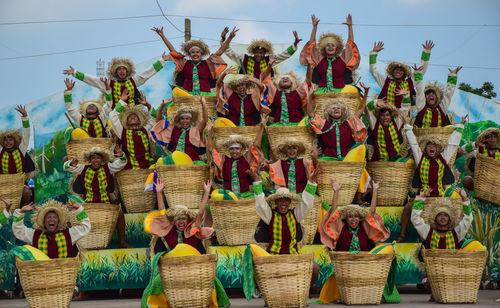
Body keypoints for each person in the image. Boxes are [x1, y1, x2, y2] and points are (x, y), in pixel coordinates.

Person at [249, 164, 320, 285]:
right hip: (273, 257)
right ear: (276, 202)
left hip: (293, 257)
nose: (283, 203)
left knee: (315, 267)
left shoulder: (295, 214)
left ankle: (304, 291)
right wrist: (256, 181)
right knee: (256, 266)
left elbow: (307, 204)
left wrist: (311, 182)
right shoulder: (270, 215)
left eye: (286, 200)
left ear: (289, 202)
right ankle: (266, 292)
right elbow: (261, 203)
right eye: (280, 200)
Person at [397, 117, 465, 242]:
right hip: (423, 195)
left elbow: (452, 145)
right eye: (429, 145)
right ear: (426, 149)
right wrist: (407, 126)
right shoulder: (420, 158)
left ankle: (457, 238)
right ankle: (402, 235)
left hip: (439, 196)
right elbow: (413, 144)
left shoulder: (443, 158)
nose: (431, 147)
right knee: (407, 208)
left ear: (437, 148)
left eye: (434, 145)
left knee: (453, 209)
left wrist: (460, 127)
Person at [64, 146, 130, 248]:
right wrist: (71, 164)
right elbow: (66, 167)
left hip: (105, 203)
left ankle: (122, 241)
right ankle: (73, 244)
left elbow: (122, 163)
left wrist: (122, 156)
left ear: (102, 160)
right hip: (88, 203)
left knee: (120, 213)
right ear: (90, 160)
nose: (95, 160)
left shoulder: (109, 167)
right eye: (93, 158)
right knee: (70, 212)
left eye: (98, 158)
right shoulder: (83, 168)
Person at [411, 188, 472, 292]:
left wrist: (465, 199)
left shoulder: (456, 233)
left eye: (445, 215)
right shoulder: (428, 232)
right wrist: (420, 199)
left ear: (449, 218)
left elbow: (468, 219)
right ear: (435, 218)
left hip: (452, 273)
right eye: (439, 215)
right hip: (434, 275)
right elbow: (415, 219)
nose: (443, 217)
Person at [63, 54, 168, 107]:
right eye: (119, 69)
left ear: (127, 72)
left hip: (134, 114)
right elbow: (92, 80)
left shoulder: (134, 81)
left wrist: (162, 60)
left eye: (124, 69)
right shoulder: (109, 83)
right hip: (116, 115)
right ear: (115, 72)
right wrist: (75, 73)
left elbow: (147, 73)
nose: (122, 71)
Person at [153, 26, 229, 95]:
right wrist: (162, 36)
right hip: (188, 95)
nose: (195, 54)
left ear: (201, 54)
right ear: (189, 54)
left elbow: (221, 51)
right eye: (192, 52)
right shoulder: (184, 63)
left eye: (197, 52)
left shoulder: (208, 63)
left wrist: (230, 38)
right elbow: (172, 50)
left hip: (205, 94)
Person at [145, 178, 213, 254]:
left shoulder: (192, 230)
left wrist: (207, 192)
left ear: (188, 220)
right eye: (178, 219)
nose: (181, 222)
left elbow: (200, 213)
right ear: (173, 221)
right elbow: (162, 212)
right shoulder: (169, 231)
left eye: (183, 218)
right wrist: (159, 192)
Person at [319, 179, 389, 252]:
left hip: (362, 260)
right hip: (344, 261)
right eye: (350, 216)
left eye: (356, 216)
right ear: (346, 218)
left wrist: (375, 190)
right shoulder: (341, 227)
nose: (354, 219)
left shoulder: (364, 227)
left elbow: (372, 212)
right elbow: (334, 212)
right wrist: (336, 191)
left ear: (360, 218)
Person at [206, 115, 266, 198]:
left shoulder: (246, 158)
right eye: (232, 149)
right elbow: (210, 150)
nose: (234, 151)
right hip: (228, 195)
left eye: (237, 149)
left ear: (241, 150)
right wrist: (210, 131)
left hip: (245, 194)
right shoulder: (223, 159)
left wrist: (261, 127)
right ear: (228, 150)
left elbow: (256, 145)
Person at [306, 82, 368, 160]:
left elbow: (360, 109)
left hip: (347, 156)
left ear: (342, 111)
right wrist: (311, 95)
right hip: (328, 157)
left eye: (338, 108)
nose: (336, 109)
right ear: (328, 111)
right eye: (333, 108)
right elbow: (310, 113)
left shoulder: (349, 123)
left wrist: (366, 93)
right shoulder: (324, 123)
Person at [300, 14, 360, 93]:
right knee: (311, 96)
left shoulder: (342, 59)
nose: (330, 47)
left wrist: (350, 27)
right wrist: (314, 27)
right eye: (327, 45)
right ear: (324, 48)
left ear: (336, 48)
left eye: (333, 45)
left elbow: (350, 45)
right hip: (322, 90)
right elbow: (311, 46)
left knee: (354, 91)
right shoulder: (320, 60)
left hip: (341, 90)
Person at [12, 199, 90, 258]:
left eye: (54, 217)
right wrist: (21, 212)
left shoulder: (68, 235)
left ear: (58, 222)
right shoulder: (35, 235)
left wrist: (79, 210)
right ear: (44, 222)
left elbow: (85, 227)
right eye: (48, 218)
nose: (51, 219)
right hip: (42, 277)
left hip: (63, 277)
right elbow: (19, 231)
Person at [220, 26, 301, 81]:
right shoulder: (244, 59)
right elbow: (230, 53)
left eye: (261, 53)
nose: (259, 55)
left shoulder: (269, 60)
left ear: (264, 53)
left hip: (264, 91)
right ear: (253, 52)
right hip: (247, 90)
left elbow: (284, 55)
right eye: (257, 52)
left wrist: (295, 44)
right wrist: (224, 39)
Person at [369, 40, 434, 108]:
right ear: (392, 72)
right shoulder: (386, 82)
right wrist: (374, 53)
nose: (398, 72)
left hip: (404, 116)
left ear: (404, 73)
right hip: (388, 115)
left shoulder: (409, 83)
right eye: (396, 70)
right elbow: (373, 71)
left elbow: (421, 71)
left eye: (400, 70)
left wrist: (426, 52)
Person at [151, 96, 208, 162]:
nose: (185, 121)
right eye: (182, 118)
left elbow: (205, 120)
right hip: (176, 161)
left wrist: (203, 103)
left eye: (187, 118)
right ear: (179, 120)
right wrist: (162, 105)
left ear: (191, 120)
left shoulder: (195, 130)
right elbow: (159, 123)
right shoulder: (173, 129)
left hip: (193, 162)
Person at [109, 89, 156, 169]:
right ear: (126, 122)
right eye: (129, 117)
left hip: (147, 168)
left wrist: (148, 106)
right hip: (130, 170)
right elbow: (113, 116)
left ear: (139, 121)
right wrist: (122, 101)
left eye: (135, 116)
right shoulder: (122, 132)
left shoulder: (145, 129)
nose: (132, 116)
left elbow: (155, 118)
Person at [261, 58, 313, 125]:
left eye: (288, 78)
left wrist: (309, 65)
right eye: (282, 78)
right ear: (278, 83)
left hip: (296, 124)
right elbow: (265, 79)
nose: (285, 78)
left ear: (292, 83)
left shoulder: (298, 92)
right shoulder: (275, 92)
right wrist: (269, 65)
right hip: (279, 124)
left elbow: (308, 81)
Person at [0, 105, 35, 175]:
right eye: (6, 140)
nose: (8, 142)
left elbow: (26, 135)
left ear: (15, 141)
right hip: (4, 184)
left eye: (10, 140)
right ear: (3, 142)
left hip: (20, 184)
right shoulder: (1, 151)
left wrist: (25, 117)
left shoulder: (21, 149)